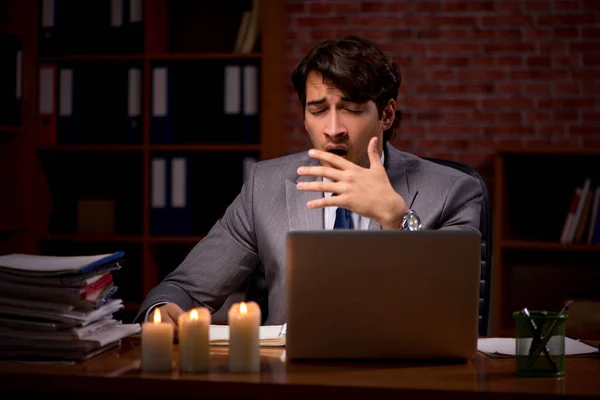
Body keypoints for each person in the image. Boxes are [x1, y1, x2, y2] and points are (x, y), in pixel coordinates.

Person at [136, 35, 483, 329]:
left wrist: (398, 221)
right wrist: (162, 311)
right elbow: (184, 288)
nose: (333, 129)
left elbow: (455, 311)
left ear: (387, 115)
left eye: (351, 108)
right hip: (293, 379)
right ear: (305, 117)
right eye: (318, 111)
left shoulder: (453, 190)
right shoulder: (265, 187)